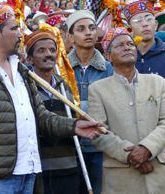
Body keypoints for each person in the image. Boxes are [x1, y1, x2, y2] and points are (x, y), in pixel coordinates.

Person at [0, 5, 101, 194]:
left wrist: (74, 126)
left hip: (29, 172)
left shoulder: (21, 70)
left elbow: (41, 117)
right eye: (14, 28)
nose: (20, 34)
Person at [88, 28, 165, 194]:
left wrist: (147, 149)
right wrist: (131, 155)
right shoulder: (97, 89)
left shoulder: (157, 83)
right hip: (121, 176)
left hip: (158, 173)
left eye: (130, 44)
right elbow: (98, 132)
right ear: (108, 56)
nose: (127, 47)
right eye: (120, 45)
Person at [122, 0, 165, 190]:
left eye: (148, 19)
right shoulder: (125, 58)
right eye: (138, 20)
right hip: (130, 145)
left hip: (164, 143)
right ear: (130, 29)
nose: (145, 24)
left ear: (155, 25)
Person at [25, 28, 79, 194]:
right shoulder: (25, 86)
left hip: (69, 167)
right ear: (29, 58)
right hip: (41, 171)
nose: (48, 54)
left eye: (52, 50)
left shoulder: (64, 86)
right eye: (41, 51)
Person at [67, 10, 114, 194]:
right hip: (71, 146)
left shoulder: (109, 69)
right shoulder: (61, 69)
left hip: (101, 147)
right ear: (70, 37)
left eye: (92, 28)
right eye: (81, 29)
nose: (88, 32)